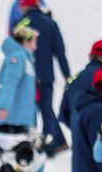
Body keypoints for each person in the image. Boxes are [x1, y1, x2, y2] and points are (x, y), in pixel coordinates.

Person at [14, 0, 70, 156]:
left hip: (27, 76)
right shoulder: (51, 23)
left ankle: (29, 146)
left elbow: (14, 50)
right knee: (47, 110)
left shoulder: (21, 24)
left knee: (28, 111)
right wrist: (67, 75)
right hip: (46, 75)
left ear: (25, 7)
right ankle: (51, 147)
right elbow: (60, 52)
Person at [59, 40, 102, 133]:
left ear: (90, 55)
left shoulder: (74, 79)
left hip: (79, 142)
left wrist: (79, 130)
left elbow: (63, 115)